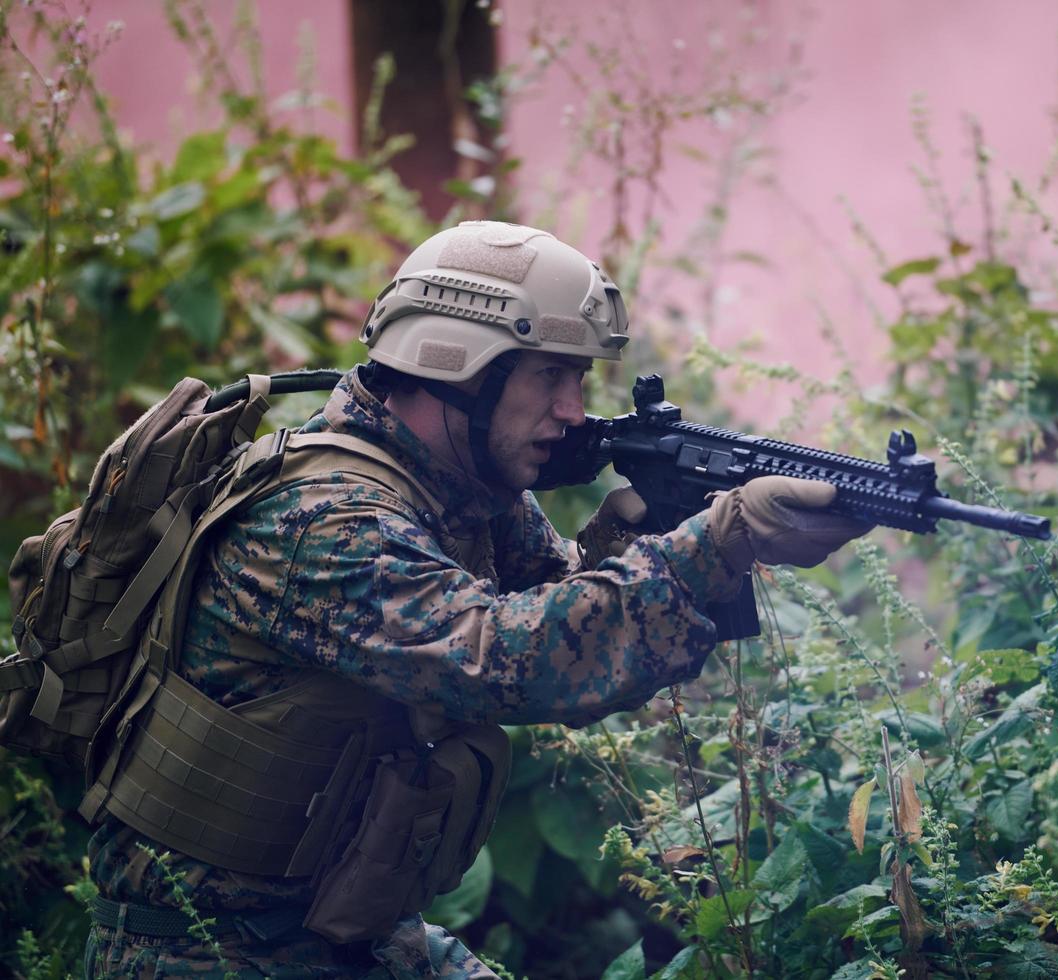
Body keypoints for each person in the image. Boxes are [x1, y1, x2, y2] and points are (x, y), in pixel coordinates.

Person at [81, 221, 871, 979]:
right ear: (459, 363)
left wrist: (625, 545)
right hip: (203, 951)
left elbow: (550, 613)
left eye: (580, 378)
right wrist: (714, 545)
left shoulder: (463, 488)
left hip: (342, 928)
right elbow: (502, 660)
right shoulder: (323, 519)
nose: (572, 409)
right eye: (549, 376)